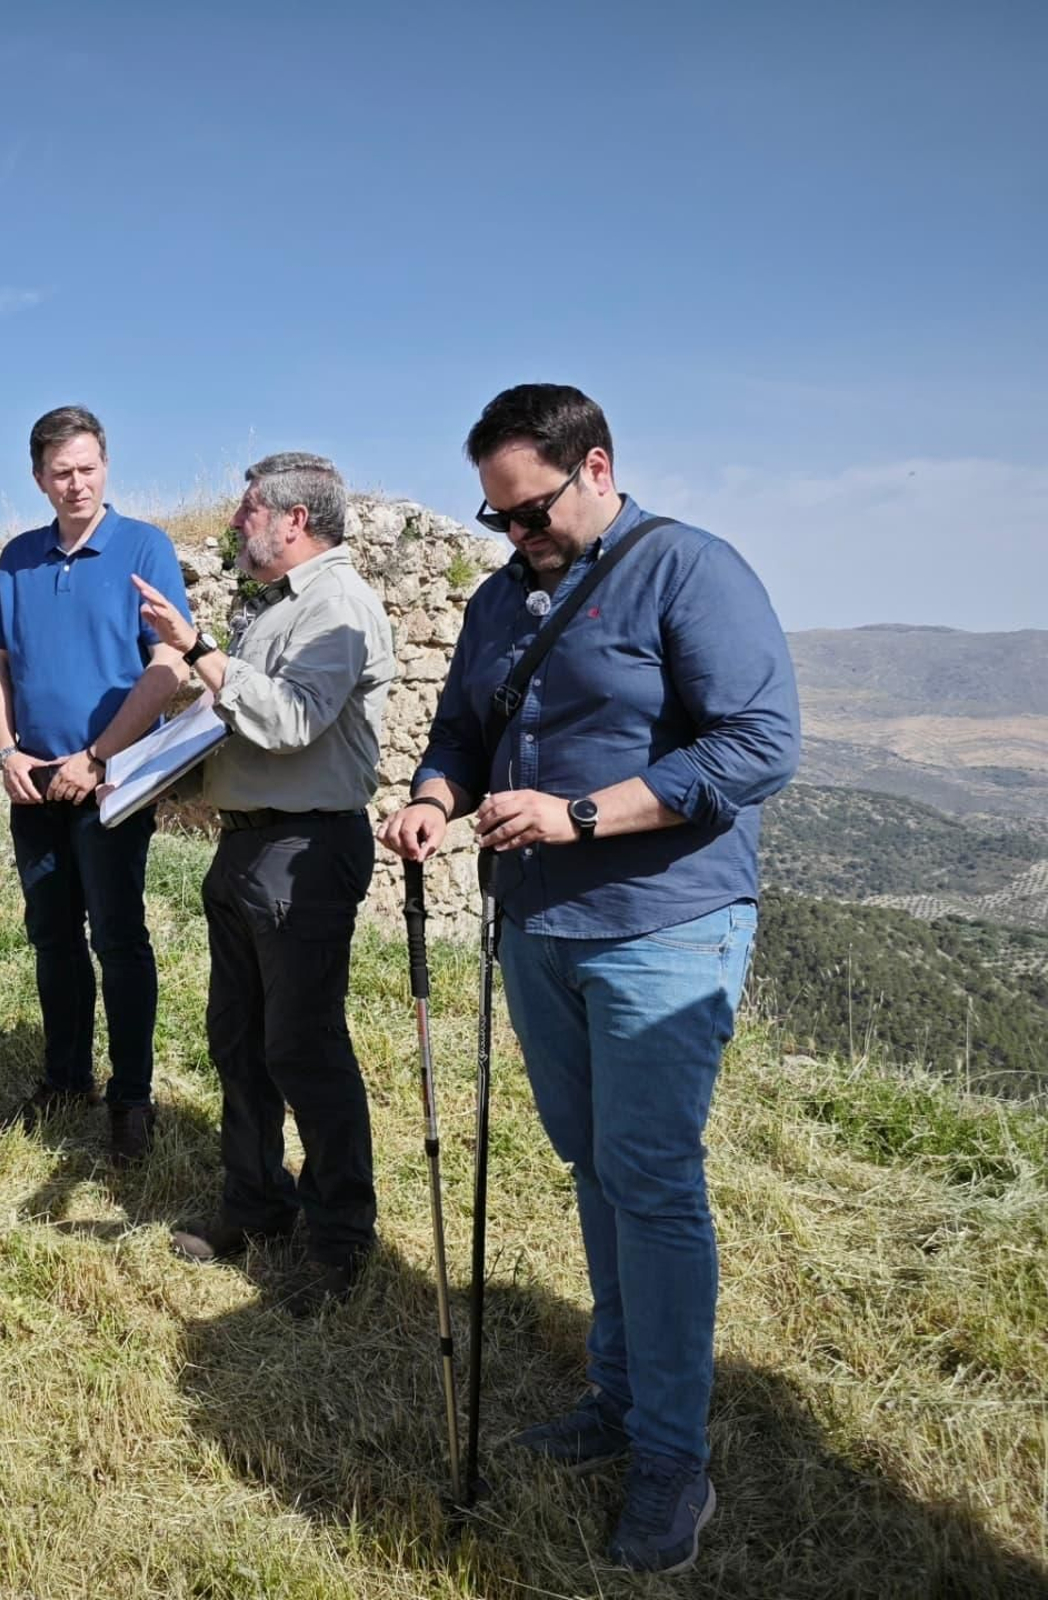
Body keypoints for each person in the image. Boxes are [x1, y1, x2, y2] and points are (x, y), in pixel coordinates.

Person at [379, 383, 800, 1574]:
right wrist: (429, 800)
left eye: (530, 512)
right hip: (540, 935)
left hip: (664, 926)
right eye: (495, 517)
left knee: (653, 1182)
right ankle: (617, 1402)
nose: (514, 536)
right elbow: (460, 727)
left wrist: (576, 815)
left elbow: (760, 745)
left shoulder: (690, 571)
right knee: (592, 1169)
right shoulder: (497, 598)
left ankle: (673, 1456)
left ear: (597, 467)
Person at [132, 452, 395, 1317]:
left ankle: (339, 1240)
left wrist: (198, 648)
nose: (235, 523)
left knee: (304, 1049)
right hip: (248, 847)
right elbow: (237, 721)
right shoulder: (276, 608)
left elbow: (286, 721)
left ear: (295, 520)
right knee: (240, 1042)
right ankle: (256, 1202)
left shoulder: (339, 607)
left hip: (305, 853)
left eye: (248, 510)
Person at [0, 406, 194, 1164]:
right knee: (50, 935)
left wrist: (99, 756)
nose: (76, 484)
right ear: (39, 479)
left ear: (106, 466)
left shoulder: (144, 545)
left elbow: (168, 664)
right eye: (61, 472)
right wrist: (5, 750)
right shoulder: (17, 557)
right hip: (34, 781)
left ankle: (131, 1097)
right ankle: (66, 1076)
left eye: (88, 468)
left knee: (118, 937)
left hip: (110, 783)